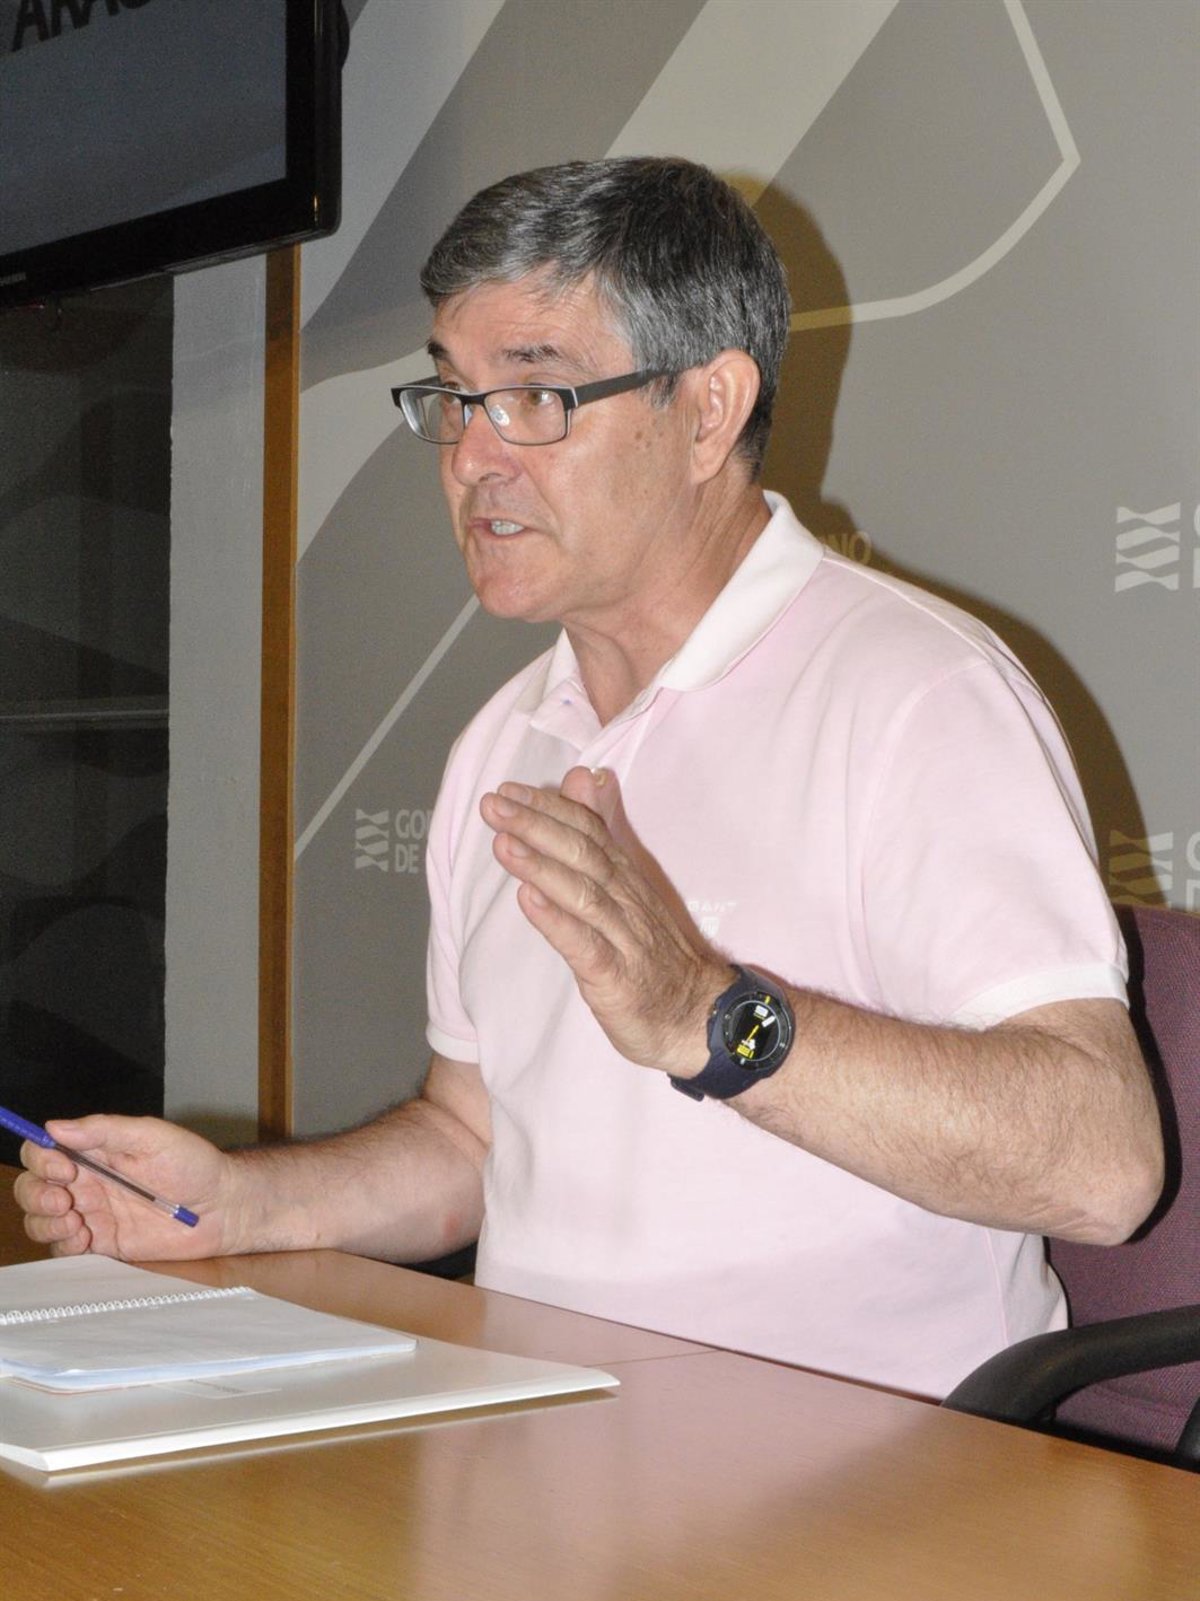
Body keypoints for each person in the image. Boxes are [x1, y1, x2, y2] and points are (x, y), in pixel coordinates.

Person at [14, 157, 1163, 1397]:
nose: (472, 457)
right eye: (453, 398)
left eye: (536, 396)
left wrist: (708, 1019)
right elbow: (474, 1135)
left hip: (874, 1475)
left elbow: (1104, 1167)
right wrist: (238, 1204)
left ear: (708, 412)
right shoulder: (504, 740)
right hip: (536, 1437)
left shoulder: (916, 697)